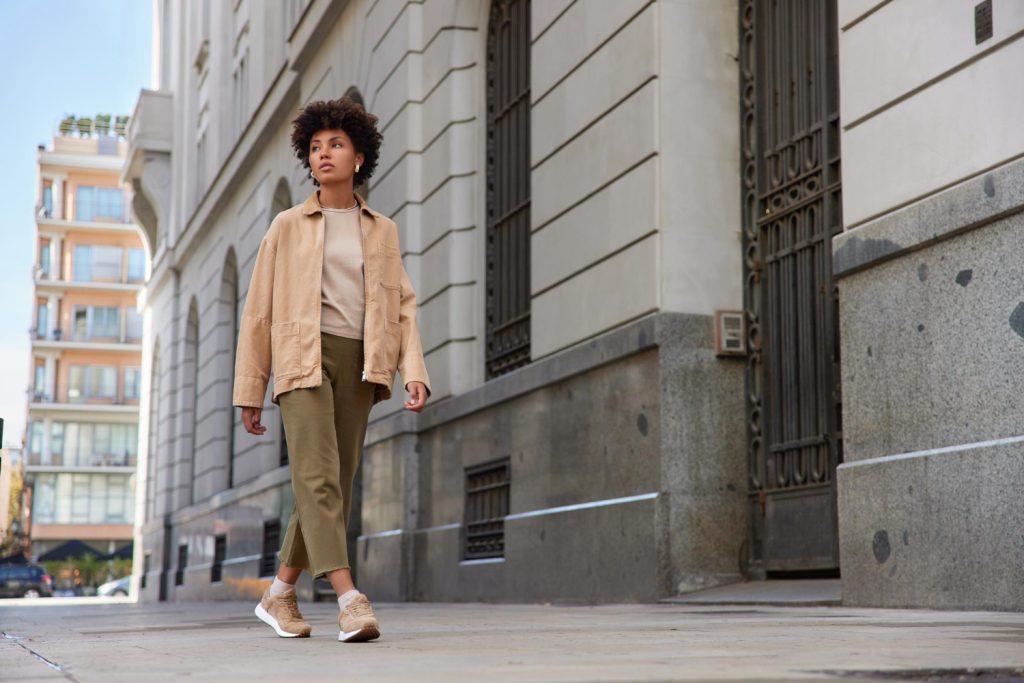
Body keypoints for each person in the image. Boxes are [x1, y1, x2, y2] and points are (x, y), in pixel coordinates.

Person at [232, 96, 431, 642]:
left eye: (336, 144)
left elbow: (401, 305)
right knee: (318, 479)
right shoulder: (288, 226)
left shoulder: (381, 230)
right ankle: (350, 599)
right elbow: (259, 311)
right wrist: (252, 386)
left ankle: (278, 594)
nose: (324, 154)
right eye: (315, 147)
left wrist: (413, 368)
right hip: (302, 357)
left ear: (359, 157)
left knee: (332, 485)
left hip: (361, 360)